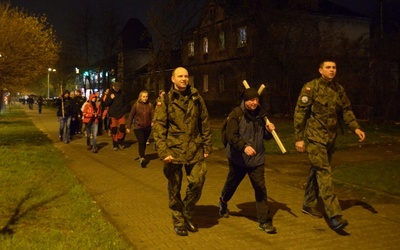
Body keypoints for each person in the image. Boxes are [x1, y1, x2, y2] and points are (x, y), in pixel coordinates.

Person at [293, 59, 366, 231]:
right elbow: (300, 113)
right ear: (320, 70)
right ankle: (334, 216)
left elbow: (346, 110)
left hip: (330, 139)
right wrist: (299, 138)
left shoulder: (338, 90)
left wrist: (355, 128)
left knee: (316, 172)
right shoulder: (311, 88)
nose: (332, 70)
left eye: (334, 67)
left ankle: (308, 203)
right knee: (324, 174)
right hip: (315, 138)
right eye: (328, 67)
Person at [153, 67, 212, 236]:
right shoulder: (166, 100)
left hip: (194, 148)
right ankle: (178, 220)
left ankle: (186, 211)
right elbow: (159, 126)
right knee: (174, 188)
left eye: (186, 76)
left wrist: (207, 146)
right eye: (180, 76)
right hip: (174, 150)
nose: (184, 79)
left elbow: (204, 122)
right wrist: (164, 152)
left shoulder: (196, 98)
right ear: (173, 79)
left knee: (197, 182)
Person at [218, 87, 277, 234]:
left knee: (260, 188)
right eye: (251, 100)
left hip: (256, 159)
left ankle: (263, 221)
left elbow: (264, 136)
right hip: (238, 159)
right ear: (245, 100)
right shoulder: (236, 115)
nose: (254, 103)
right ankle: (223, 201)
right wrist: (244, 147)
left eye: (257, 100)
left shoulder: (261, 115)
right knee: (232, 184)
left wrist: (269, 131)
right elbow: (231, 136)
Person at [126, 90, 154, 167]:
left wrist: (153, 121)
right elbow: (131, 116)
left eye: (146, 96)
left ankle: (142, 154)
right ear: (140, 97)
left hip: (147, 127)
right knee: (141, 141)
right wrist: (128, 126)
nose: (145, 98)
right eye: (143, 96)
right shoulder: (136, 105)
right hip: (138, 127)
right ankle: (142, 157)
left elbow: (153, 115)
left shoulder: (150, 105)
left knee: (144, 142)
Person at [103, 82, 128, 151]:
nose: (117, 89)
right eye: (115, 87)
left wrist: (123, 111)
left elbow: (126, 104)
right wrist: (110, 98)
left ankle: (120, 140)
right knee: (114, 130)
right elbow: (105, 104)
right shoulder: (110, 94)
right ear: (113, 87)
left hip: (121, 114)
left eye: (118, 87)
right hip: (113, 115)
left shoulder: (123, 94)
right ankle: (115, 144)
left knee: (122, 128)